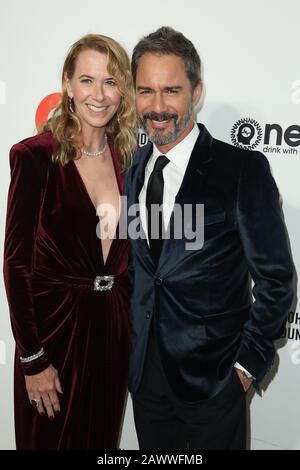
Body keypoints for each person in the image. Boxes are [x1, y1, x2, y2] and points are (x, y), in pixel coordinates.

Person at [125, 26, 294, 450]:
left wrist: (245, 367)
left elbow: (277, 280)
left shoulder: (240, 170)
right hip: (146, 382)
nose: (158, 106)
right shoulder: (134, 167)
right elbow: (142, 270)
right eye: (146, 91)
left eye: (172, 90)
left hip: (215, 382)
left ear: (196, 92)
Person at [3, 33, 136, 449]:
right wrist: (32, 357)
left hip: (112, 333)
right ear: (67, 84)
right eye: (87, 80)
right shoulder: (36, 157)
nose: (99, 94)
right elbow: (16, 264)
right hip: (54, 335)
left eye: (111, 82)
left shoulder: (128, 160)